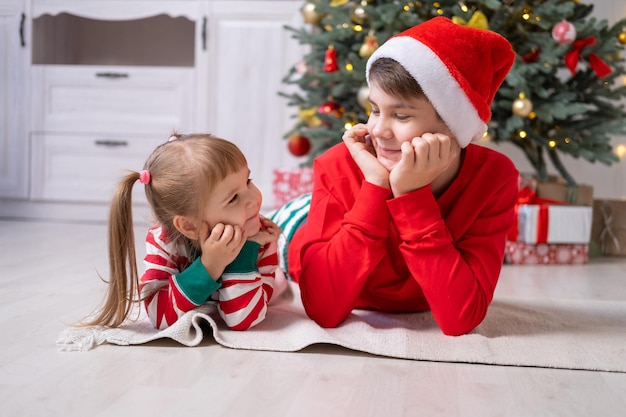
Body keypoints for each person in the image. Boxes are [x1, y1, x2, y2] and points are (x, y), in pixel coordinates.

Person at [284, 17, 519, 336]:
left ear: (453, 126)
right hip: (293, 232)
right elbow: (324, 310)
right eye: (376, 109)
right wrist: (375, 186)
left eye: (401, 115)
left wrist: (411, 196)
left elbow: (461, 319)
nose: (378, 130)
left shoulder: (494, 177)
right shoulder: (338, 164)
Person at [83, 133, 280, 331]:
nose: (254, 199)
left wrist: (243, 252)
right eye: (233, 198)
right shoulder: (164, 242)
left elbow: (244, 319)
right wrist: (210, 265)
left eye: (248, 180)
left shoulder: (260, 237)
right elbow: (159, 317)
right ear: (189, 227)